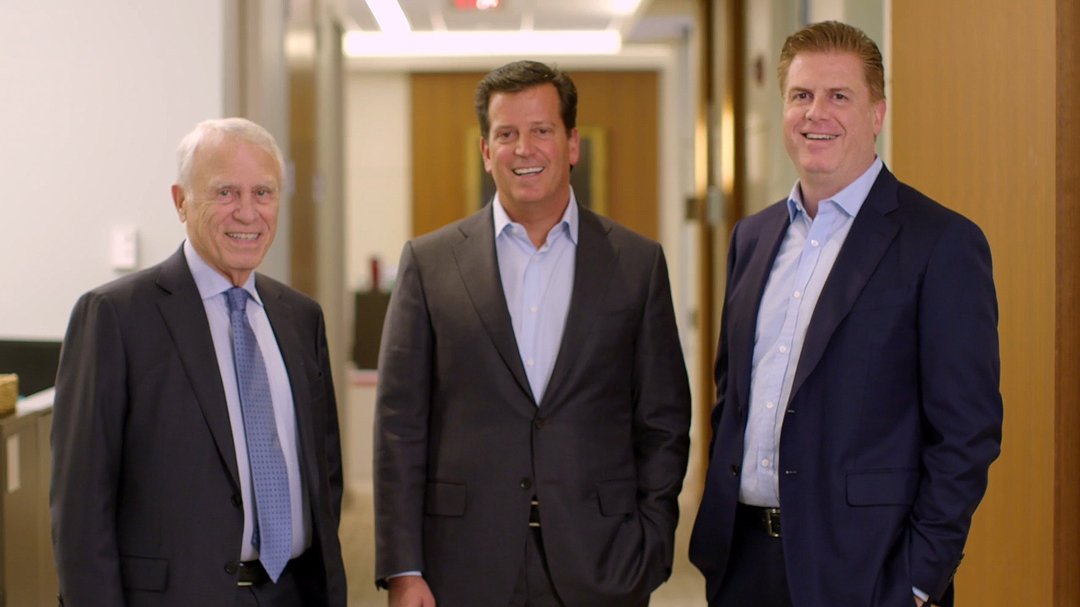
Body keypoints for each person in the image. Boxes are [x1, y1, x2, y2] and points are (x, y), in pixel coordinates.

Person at [689, 21, 1003, 607]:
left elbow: (967, 433)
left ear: (877, 113)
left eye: (840, 96)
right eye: (801, 96)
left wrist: (916, 580)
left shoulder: (941, 242)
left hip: (867, 571)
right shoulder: (751, 239)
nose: (816, 114)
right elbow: (731, 395)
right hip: (745, 565)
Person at [373, 60, 692, 607]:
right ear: (485, 150)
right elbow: (400, 428)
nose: (524, 149)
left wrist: (652, 544)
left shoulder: (638, 265)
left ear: (571, 144)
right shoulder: (428, 264)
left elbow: (662, 420)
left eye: (542, 131)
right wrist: (403, 567)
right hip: (463, 564)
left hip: (603, 562)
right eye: (507, 134)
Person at [51, 118, 347, 606]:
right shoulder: (116, 317)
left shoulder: (301, 317)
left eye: (264, 193)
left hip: (295, 593)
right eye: (225, 192)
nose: (248, 213)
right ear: (181, 200)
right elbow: (82, 508)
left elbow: (324, 475)